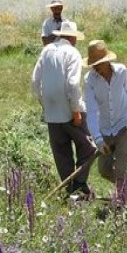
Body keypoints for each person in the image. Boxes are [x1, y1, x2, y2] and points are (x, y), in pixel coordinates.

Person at [31, 21, 96, 199]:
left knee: (61, 152)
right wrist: (75, 111)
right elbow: (73, 83)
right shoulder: (72, 52)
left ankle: (69, 189)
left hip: (52, 114)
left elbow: (35, 82)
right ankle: (80, 184)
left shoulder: (46, 51)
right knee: (88, 148)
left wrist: (45, 105)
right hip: (70, 110)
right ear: (72, 37)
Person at [83, 40, 127, 204]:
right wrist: (98, 140)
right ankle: (126, 187)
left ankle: (122, 203)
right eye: (93, 64)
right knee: (104, 169)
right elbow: (91, 112)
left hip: (122, 126)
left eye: (98, 64)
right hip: (104, 129)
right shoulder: (89, 80)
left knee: (120, 169)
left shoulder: (121, 71)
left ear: (107, 61)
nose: (95, 67)